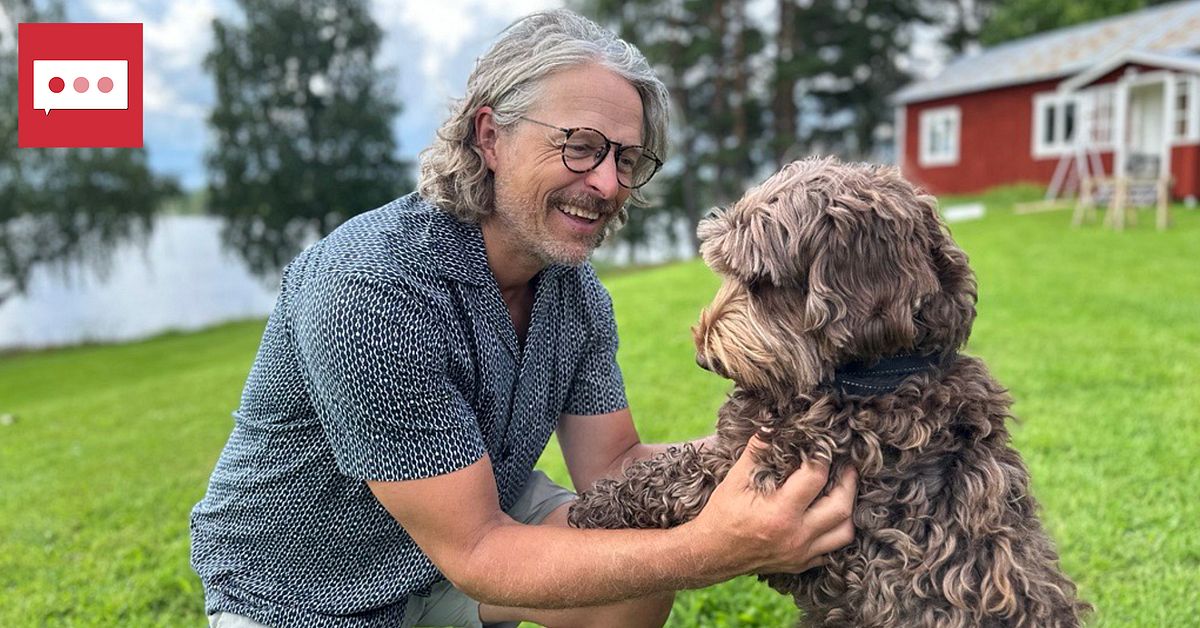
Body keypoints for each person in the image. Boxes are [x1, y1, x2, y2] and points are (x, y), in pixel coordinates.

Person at [190, 9, 858, 628]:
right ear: (490, 136)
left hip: (470, 533)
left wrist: (810, 451)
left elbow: (616, 465)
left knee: (632, 575)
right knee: (658, 556)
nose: (607, 183)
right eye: (581, 146)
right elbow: (479, 549)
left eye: (627, 159)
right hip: (298, 595)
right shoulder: (372, 286)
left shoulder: (575, 293)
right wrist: (709, 549)